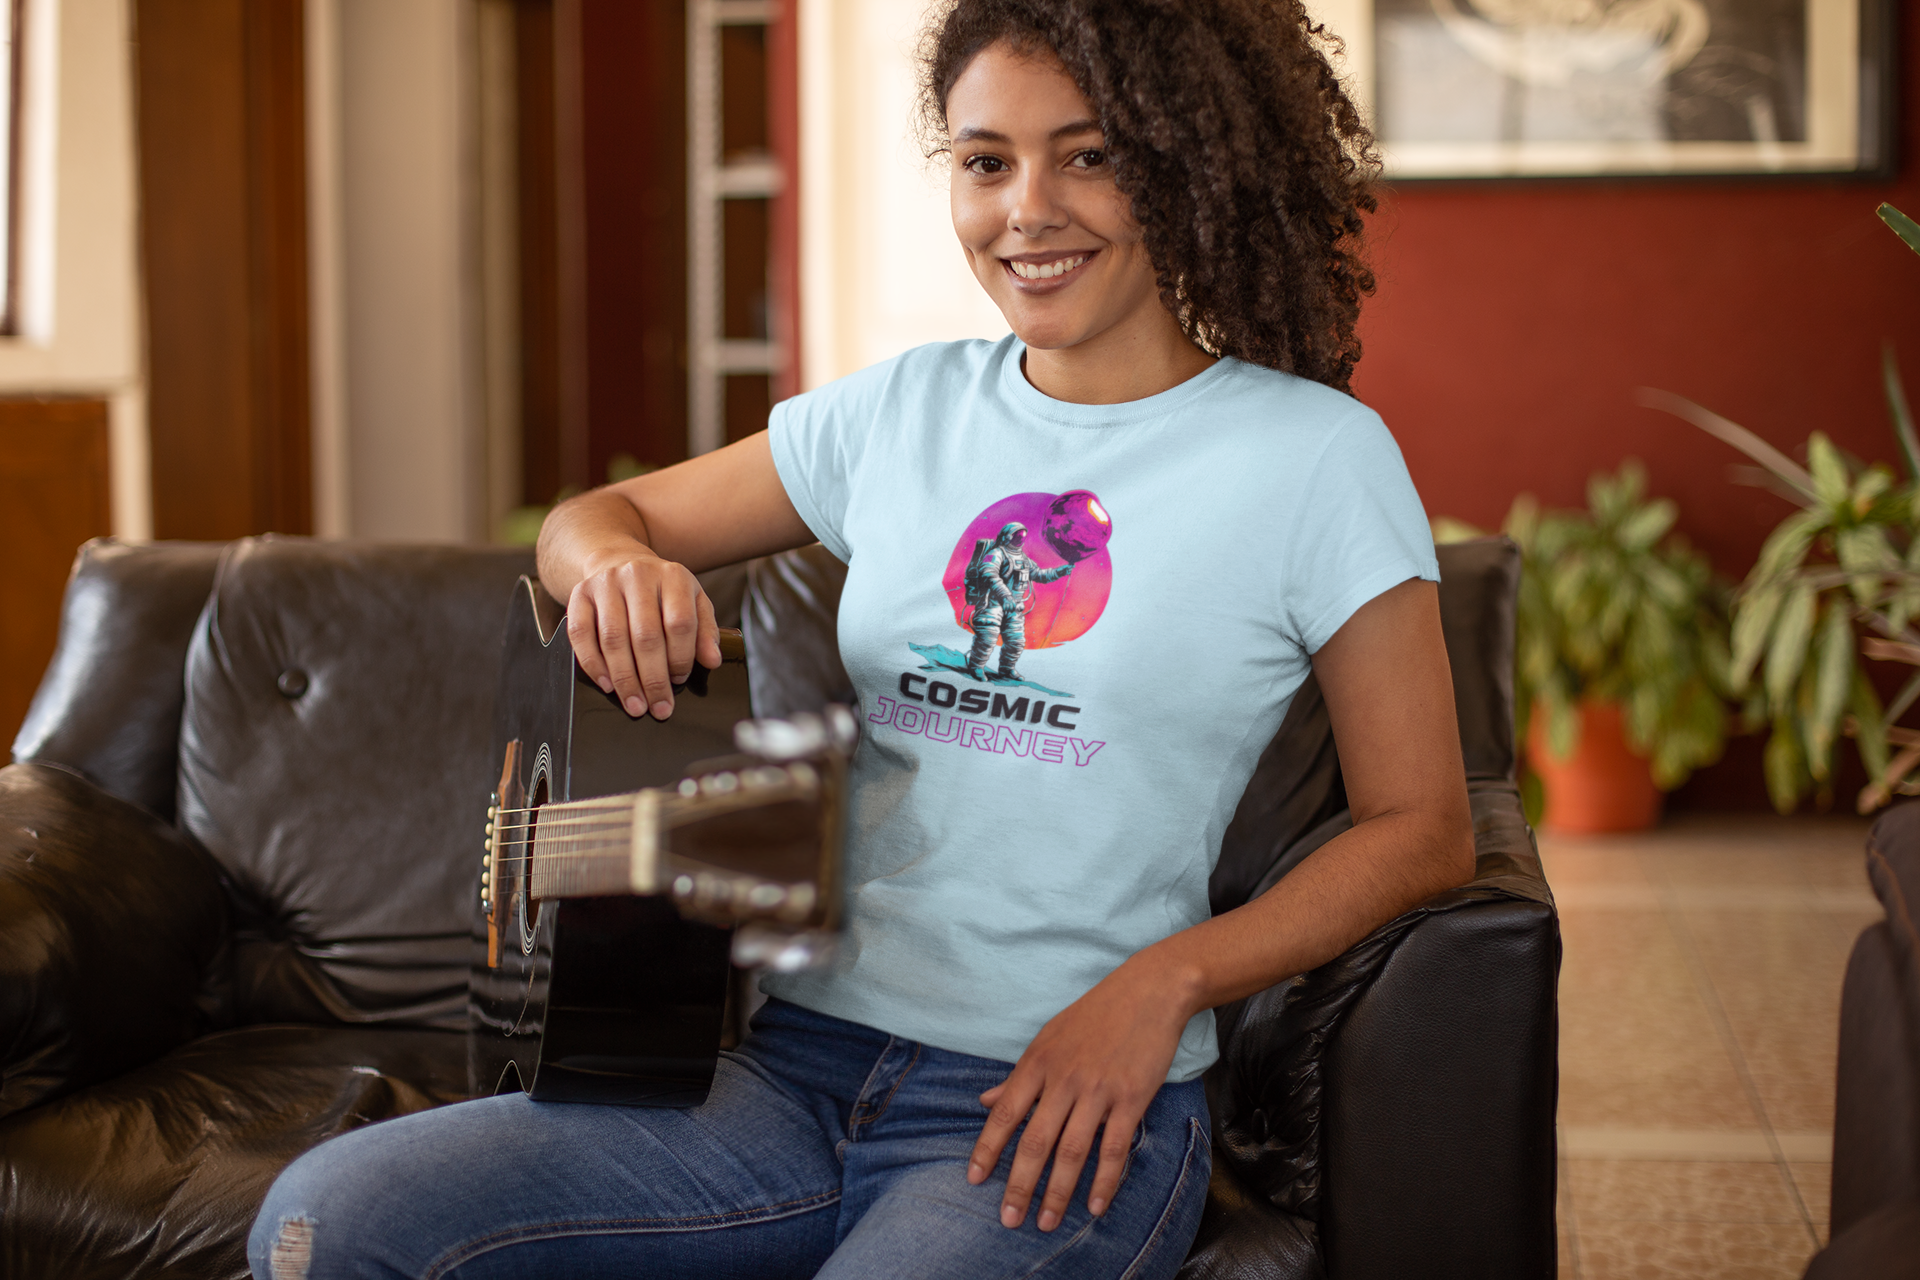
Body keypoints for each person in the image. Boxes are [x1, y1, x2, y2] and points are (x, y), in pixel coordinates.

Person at [248, 0, 1475, 1276]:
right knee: (325, 1221)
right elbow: (591, 517)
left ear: (1187, 159)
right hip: (787, 1071)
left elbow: (1422, 824)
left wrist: (1165, 984)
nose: (1026, 210)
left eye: (1091, 153)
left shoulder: (1316, 459)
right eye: (987, 160)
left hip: (1058, 1098)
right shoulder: (899, 411)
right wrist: (611, 565)